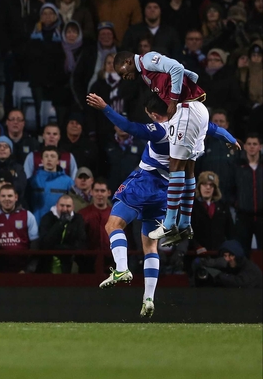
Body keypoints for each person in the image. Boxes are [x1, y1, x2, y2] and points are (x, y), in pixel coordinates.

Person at [86, 93, 237, 316]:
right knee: (150, 245)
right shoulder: (190, 126)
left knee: (113, 225)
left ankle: (121, 268)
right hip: (166, 191)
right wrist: (230, 138)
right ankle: (148, 298)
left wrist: (105, 107)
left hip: (145, 182)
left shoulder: (159, 130)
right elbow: (213, 128)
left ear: (154, 115)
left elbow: (128, 127)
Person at [114, 50, 210, 243]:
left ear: (128, 61)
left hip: (186, 109)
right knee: (189, 169)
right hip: (197, 109)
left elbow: (177, 68)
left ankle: (170, 223)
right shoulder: (145, 74)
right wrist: (189, 87)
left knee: (176, 166)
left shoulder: (147, 59)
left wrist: (174, 101)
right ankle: (184, 224)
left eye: (122, 72)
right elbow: (189, 74)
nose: (124, 77)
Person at [193, 240, 263, 288]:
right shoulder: (230, 267)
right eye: (225, 256)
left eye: (231, 255)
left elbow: (239, 283)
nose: (227, 259)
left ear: (238, 256)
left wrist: (218, 275)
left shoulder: (250, 268)